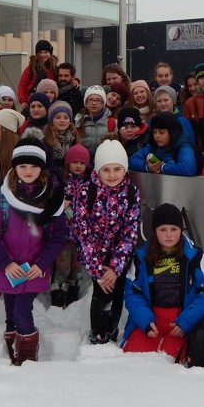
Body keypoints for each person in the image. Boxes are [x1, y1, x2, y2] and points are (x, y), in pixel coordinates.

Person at [0, 138, 68, 364]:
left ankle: (27, 359)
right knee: (10, 311)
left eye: (34, 166)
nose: (28, 171)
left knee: (22, 312)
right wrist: (5, 263)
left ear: (42, 168)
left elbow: (58, 236)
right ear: (15, 167)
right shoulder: (4, 197)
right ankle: (12, 351)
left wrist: (42, 264)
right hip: (8, 268)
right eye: (22, 166)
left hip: (33, 268)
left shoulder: (51, 198)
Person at [122, 203, 204, 357]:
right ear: (155, 231)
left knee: (173, 360)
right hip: (153, 318)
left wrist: (186, 322)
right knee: (134, 356)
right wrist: (145, 321)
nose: (168, 235)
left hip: (181, 320)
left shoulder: (194, 256)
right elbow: (132, 293)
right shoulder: (141, 258)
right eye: (163, 230)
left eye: (174, 229)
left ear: (181, 230)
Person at [71, 139, 141, 344]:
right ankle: (98, 334)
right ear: (98, 171)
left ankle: (112, 331)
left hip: (119, 254)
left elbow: (130, 231)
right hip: (95, 254)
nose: (112, 175)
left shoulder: (131, 192)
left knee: (117, 292)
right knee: (103, 292)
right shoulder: (86, 191)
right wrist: (97, 269)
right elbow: (82, 232)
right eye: (106, 170)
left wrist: (116, 266)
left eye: (117, 169)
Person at [50, 143, 90, 308]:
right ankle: (58, 296)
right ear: (68, 163)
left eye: (82, 163)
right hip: (64, 233)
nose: (78, 166)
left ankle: (74, 296)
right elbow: (52, 205)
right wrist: (61, 204)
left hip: (81, 235)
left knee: (76, 265)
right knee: (62, 264)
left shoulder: (90, 184)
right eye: (75, 162)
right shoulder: (61, 183)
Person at [130, 112, 198, 176]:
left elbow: (188, 168)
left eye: (162, 132)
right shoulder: (153, 145)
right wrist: (147, 167)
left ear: (172, 132)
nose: (157, 136)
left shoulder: (184, 146)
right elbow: (132, 159)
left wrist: (163, 166)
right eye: (155, 132)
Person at [43, 100, 81, 177]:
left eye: (66, 117)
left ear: (70, 121)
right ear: (52, 120)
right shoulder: (44, 139)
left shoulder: (75, 138)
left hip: (70, 177)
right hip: (50, 177)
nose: (62, 120)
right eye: (58, 117)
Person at [75, 85, 115, 157]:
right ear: (86, 103)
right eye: (90, 100)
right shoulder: (78, 122)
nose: (94, 103)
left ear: (103, 103)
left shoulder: (112, 122)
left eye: (98, 100)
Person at [18, 39, 57, 108]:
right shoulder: (32, 67)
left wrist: (75, 81)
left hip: (50, 102)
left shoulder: (54, 68)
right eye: (40, 52)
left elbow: (65, 77)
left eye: (46, 52)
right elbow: (22, 85)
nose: (43, 55)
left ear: (50, 53)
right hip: (31, 102)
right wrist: (23, 100)